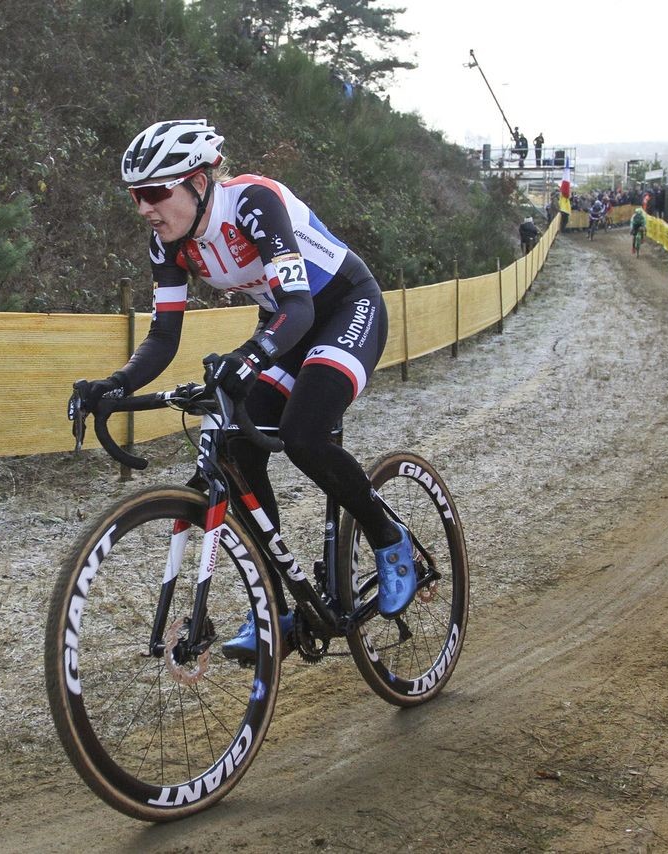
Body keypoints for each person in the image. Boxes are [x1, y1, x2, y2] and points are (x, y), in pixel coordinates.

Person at [75, 119, 420, 660]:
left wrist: (252, 355)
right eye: (134, 196)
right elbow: (164, 335)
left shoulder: (252, 204)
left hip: (343, 307)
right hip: (285, 324)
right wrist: (115, 385)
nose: (143, 208)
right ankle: (277, 610)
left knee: (304, 435)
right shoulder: (168, 244)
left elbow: (301, 305)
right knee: (236, 451)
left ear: (197, 181)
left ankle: (387, 538)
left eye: (152, 193)